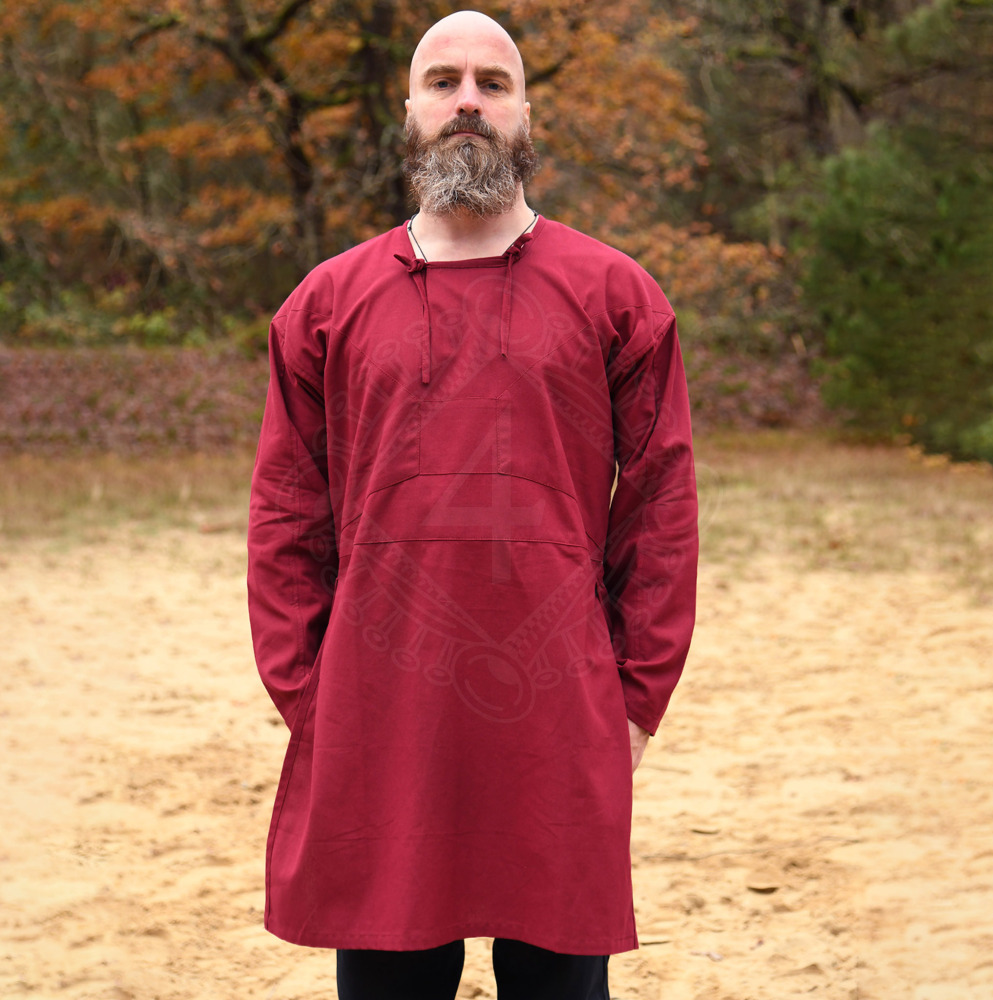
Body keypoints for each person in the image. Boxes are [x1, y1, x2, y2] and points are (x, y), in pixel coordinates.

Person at [247, 10, 699, 999]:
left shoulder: (616, 296)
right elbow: (286, 515)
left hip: (557, 713)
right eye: (442, 82)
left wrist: (635, 699)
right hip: (380, 717)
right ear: (408, 110)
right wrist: (309, 695)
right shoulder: (325, 306)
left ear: (525, 114)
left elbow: (661, 507)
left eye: (492, 84)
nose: (467, 102)